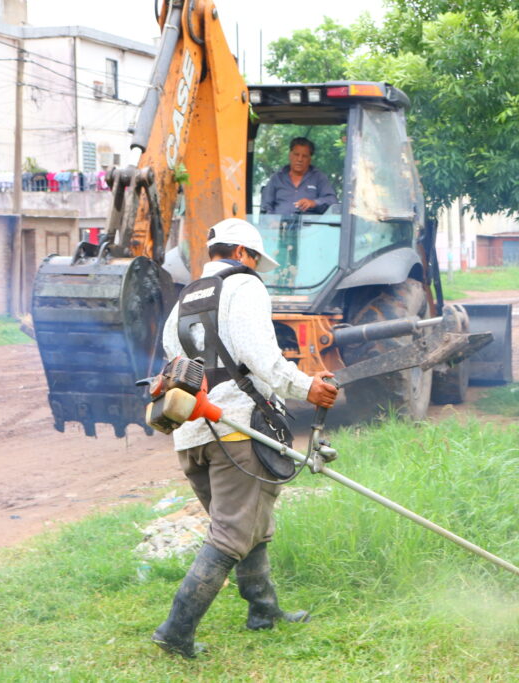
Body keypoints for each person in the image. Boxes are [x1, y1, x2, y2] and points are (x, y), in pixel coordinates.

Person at [152, 217, 339, 658]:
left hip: (193, 435)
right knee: (231, 534)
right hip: (235, 430)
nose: (255, 268)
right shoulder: (245, 287)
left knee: (247, 525)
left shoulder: (185, 298)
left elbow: (171, 362)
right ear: (242, 254)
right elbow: (260, 356)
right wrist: (307, 386)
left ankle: (264, 610)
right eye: (254, 260)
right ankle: (176, 631)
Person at [260, 137, 338, 215]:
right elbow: (266, 206)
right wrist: (271, 221)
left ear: (310, 159)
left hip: (310, 226)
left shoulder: (319, 177)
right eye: (296, 155)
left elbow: (332, 201)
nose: (300, 159)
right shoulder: (277, 178)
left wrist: (314, 203)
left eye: (304, 156)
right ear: (290, 155)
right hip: (278, 226)